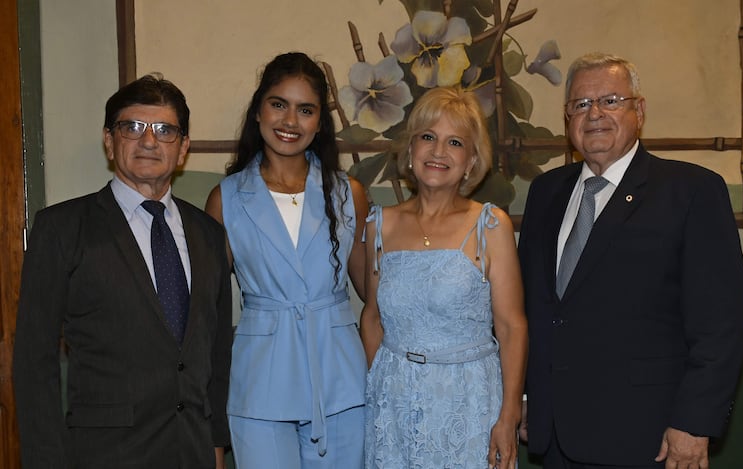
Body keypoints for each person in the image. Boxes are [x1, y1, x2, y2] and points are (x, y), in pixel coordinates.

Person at [517, 52, 743, 468]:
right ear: (567, 117)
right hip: (556, 435)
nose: (594, 115)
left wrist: (695, 423)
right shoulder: (546, 192)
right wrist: (530, 394)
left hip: (648, 436)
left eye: (610, 100)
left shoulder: (691, 191)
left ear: (638, 110)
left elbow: (721, 323)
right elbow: (536, 306)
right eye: (581, 104)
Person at [13, 74, 233, 468]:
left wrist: (216, 443)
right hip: (103, 455)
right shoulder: (62, 228)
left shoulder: (209, 235)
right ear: (109, 141)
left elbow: (217, 353)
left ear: (183, 149)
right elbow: (34, 362)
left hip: (192, 452)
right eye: (132, 127)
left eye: (165, 130)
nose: (148, 140)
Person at [205, 52, 369, 468]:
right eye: (279, 104)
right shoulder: (226, 198)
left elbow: (374, 292)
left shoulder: (348, 193)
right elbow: (207, 308)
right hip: (259, 380)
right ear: (258, 110)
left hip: (340, 378)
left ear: (319, 122)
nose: (290, 121)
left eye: (306, 110)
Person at [359, 86, 528, 469]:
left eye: (454, 142)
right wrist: (384, 383)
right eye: (428, 137)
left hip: (469, 405)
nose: (438, 152)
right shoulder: (380, 224)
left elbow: (511, 326)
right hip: (394, 407)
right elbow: (372, 317)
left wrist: (508, 415)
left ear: (471, 160)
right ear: (410, 149)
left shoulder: (490, 225)